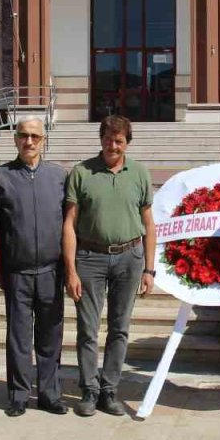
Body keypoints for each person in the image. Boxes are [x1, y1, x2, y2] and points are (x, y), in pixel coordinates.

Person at [63, 115, 156, 418]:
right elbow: (69, 224)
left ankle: (109, 390)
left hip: (130, 258)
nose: (112, 145)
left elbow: (149, 224)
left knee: (120, 328)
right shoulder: (82, 172)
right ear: (100, 139)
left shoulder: (139, 173)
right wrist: (71, 270)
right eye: (108, 138)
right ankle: (89, 390)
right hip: (90, 258)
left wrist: (149, 268)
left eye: (119, 140)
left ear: (127, 142)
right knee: (88, 329)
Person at [0, 118, 69, 417]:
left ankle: (49, 393)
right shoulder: (0, 177)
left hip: (50, 271)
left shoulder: (59, 176)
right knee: (19, 337)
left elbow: (69, 223)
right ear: (15, 139)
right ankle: (19, 394)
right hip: (17, 272)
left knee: (50, 335)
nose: (29, 141)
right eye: (23, 135)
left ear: (44, 140)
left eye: (35, 136)